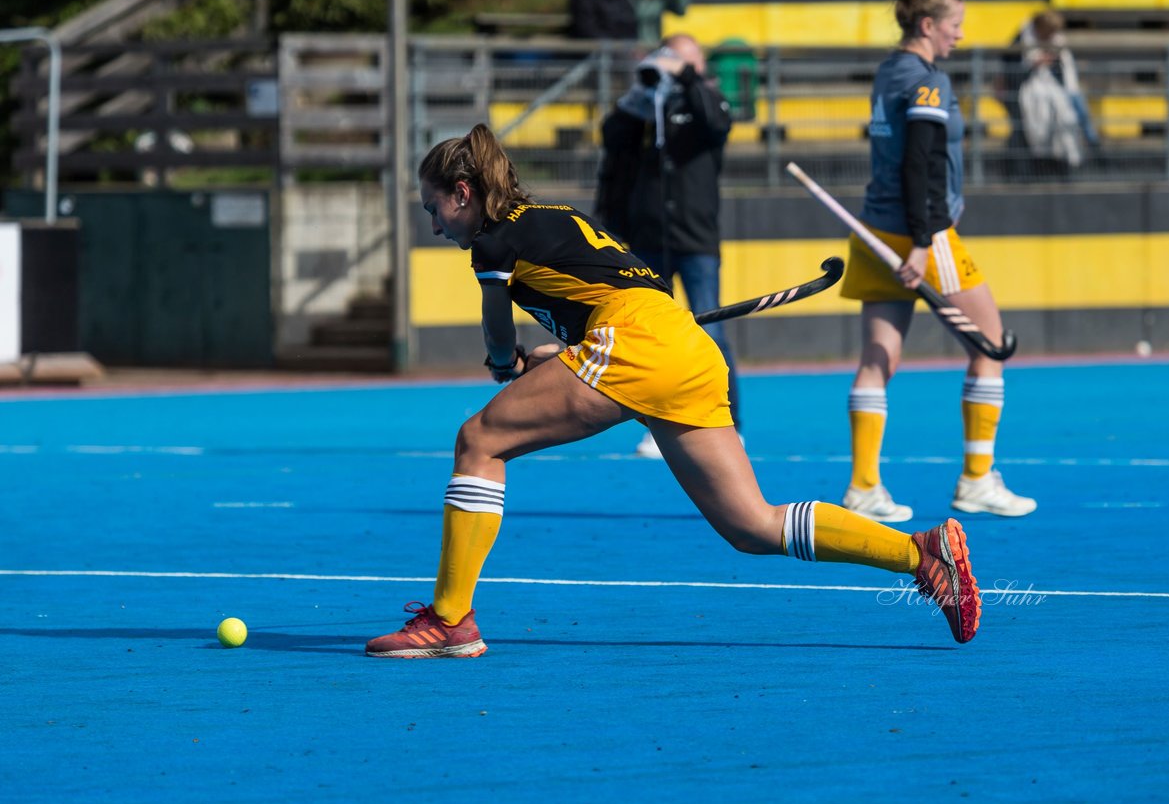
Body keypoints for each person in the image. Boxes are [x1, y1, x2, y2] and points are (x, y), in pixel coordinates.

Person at [364, 123, 983, 658]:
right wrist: (565, 351)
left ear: (463, 194)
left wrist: (505, 363)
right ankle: (922, 554)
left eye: (434, 209)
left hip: (637, 343)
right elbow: (613, 300)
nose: (437, 225)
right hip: (682, 346)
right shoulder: (558, 218)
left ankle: (448, 620)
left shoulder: (493, 240)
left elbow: (499, 331)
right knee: (753, 526)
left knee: (478, 440)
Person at [840, 0, 1036, 523]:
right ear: (927, 25)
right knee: (992, 345)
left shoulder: (887, 72)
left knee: (879, 360)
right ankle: (976, 480)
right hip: (920, 233)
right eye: (954, 26)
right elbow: (920, 163)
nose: (961, 36)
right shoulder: (929, 83)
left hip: (877, 231)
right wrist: (925, 243)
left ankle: (863, 488)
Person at [597, 33, 740, 458]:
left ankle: (731, 423)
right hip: (647, 238)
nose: (671, 65)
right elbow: (611, 139)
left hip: (696, 239)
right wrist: (641, 92)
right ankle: (662, 428)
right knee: (651, 337)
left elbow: (716, 122)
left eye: (682, 58)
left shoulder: (707, 100)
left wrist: (688, 77)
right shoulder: (645, 109)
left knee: (711, 331)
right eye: (668, 56)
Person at [1017, 9, 1099, 171]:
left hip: (1065, 88)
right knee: (1037, 126)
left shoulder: (1057, 40)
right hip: (1039, 89)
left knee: (1078, 117)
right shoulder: (1025, 37)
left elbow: (1066, 67)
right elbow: (1022, 63)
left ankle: (1092, 154)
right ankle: (1042, 164)